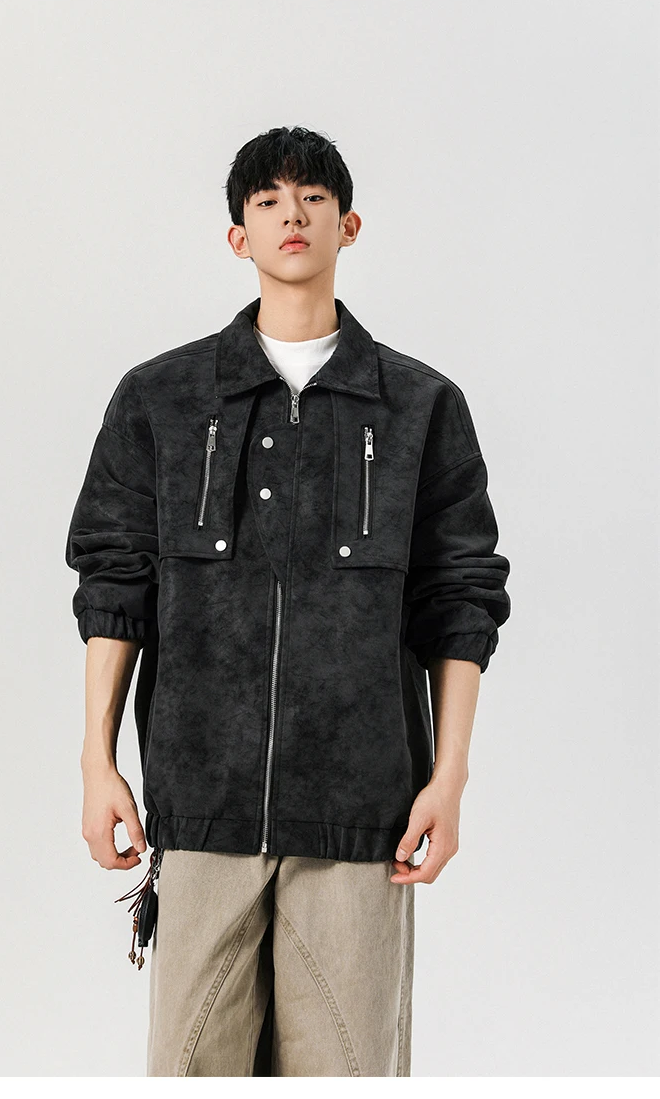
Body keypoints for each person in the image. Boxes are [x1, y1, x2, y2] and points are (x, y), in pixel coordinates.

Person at [65, 125, 511, 1077]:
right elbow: (114, 587)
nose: (292, 214)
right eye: (267, 200)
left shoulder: (421, 407)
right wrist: (98, 762)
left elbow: (462, 600)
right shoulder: (161, 399)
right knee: (191, 1073)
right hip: (201, 807)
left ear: (349, 225)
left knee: (349, 1075)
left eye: (313, 197)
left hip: (363, 817)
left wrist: (450, 778)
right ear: (239, 236)